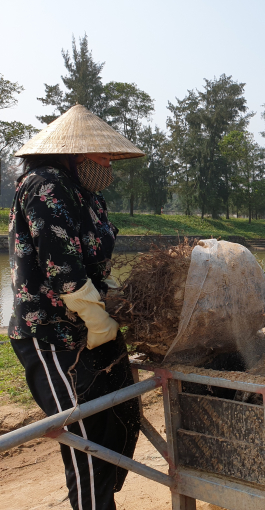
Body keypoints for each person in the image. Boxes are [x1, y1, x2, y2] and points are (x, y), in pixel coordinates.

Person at [9, 105, 144, 509]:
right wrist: (96, 317)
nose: (108, 165)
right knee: (85, 439)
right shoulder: (45, 185)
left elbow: (94, 262)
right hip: (53, 332)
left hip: (94, 324)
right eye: (102, 157)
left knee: (120, 419)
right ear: (75, 154)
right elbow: (61, 265)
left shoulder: (88, 195)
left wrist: (114, 304)